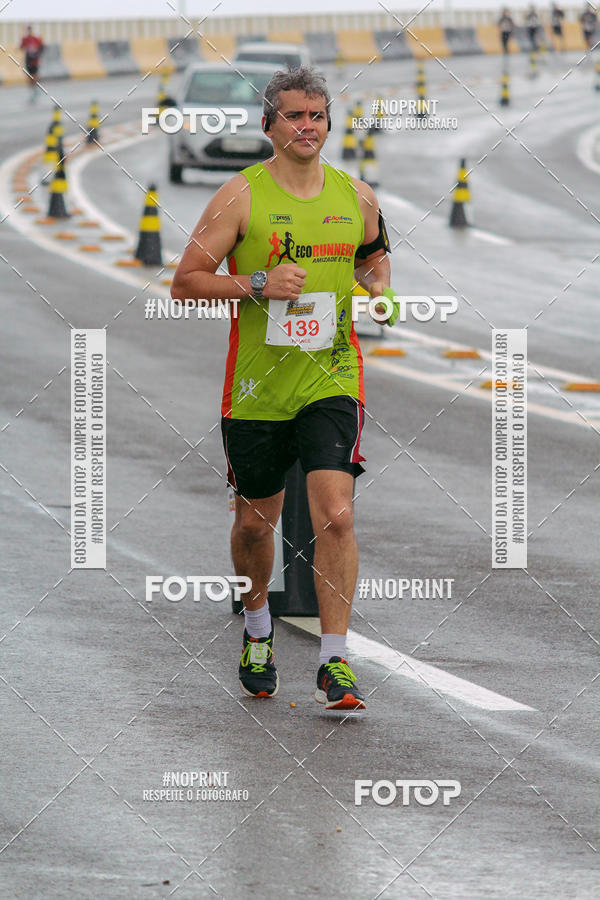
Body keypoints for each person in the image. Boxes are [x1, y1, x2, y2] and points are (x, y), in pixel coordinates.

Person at [171, 66, 398, 712]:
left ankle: (335, 661)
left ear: (329, 124)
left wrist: (378, 287)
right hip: (257, 388)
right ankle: (258, 627)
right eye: (295, 116)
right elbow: (186, 282)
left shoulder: (356, 195)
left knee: (338, 514)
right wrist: (258, 284)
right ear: (269, 124)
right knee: (253, 523)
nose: (307, 127)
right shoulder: (239, 198)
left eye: (317, 116)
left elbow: (375, 253)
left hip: (332, 376)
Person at [20, 25, 44, 101]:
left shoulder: (36, 39)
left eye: (30, 30)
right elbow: (21, 47)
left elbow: (42, 47)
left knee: (34, 76)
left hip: (35, 60)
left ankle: (36, 89)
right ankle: (32, 91)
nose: (29, 32)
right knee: (29, 76)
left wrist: (38, 54)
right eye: (28, 30)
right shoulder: (25, 39)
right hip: (28, 60)